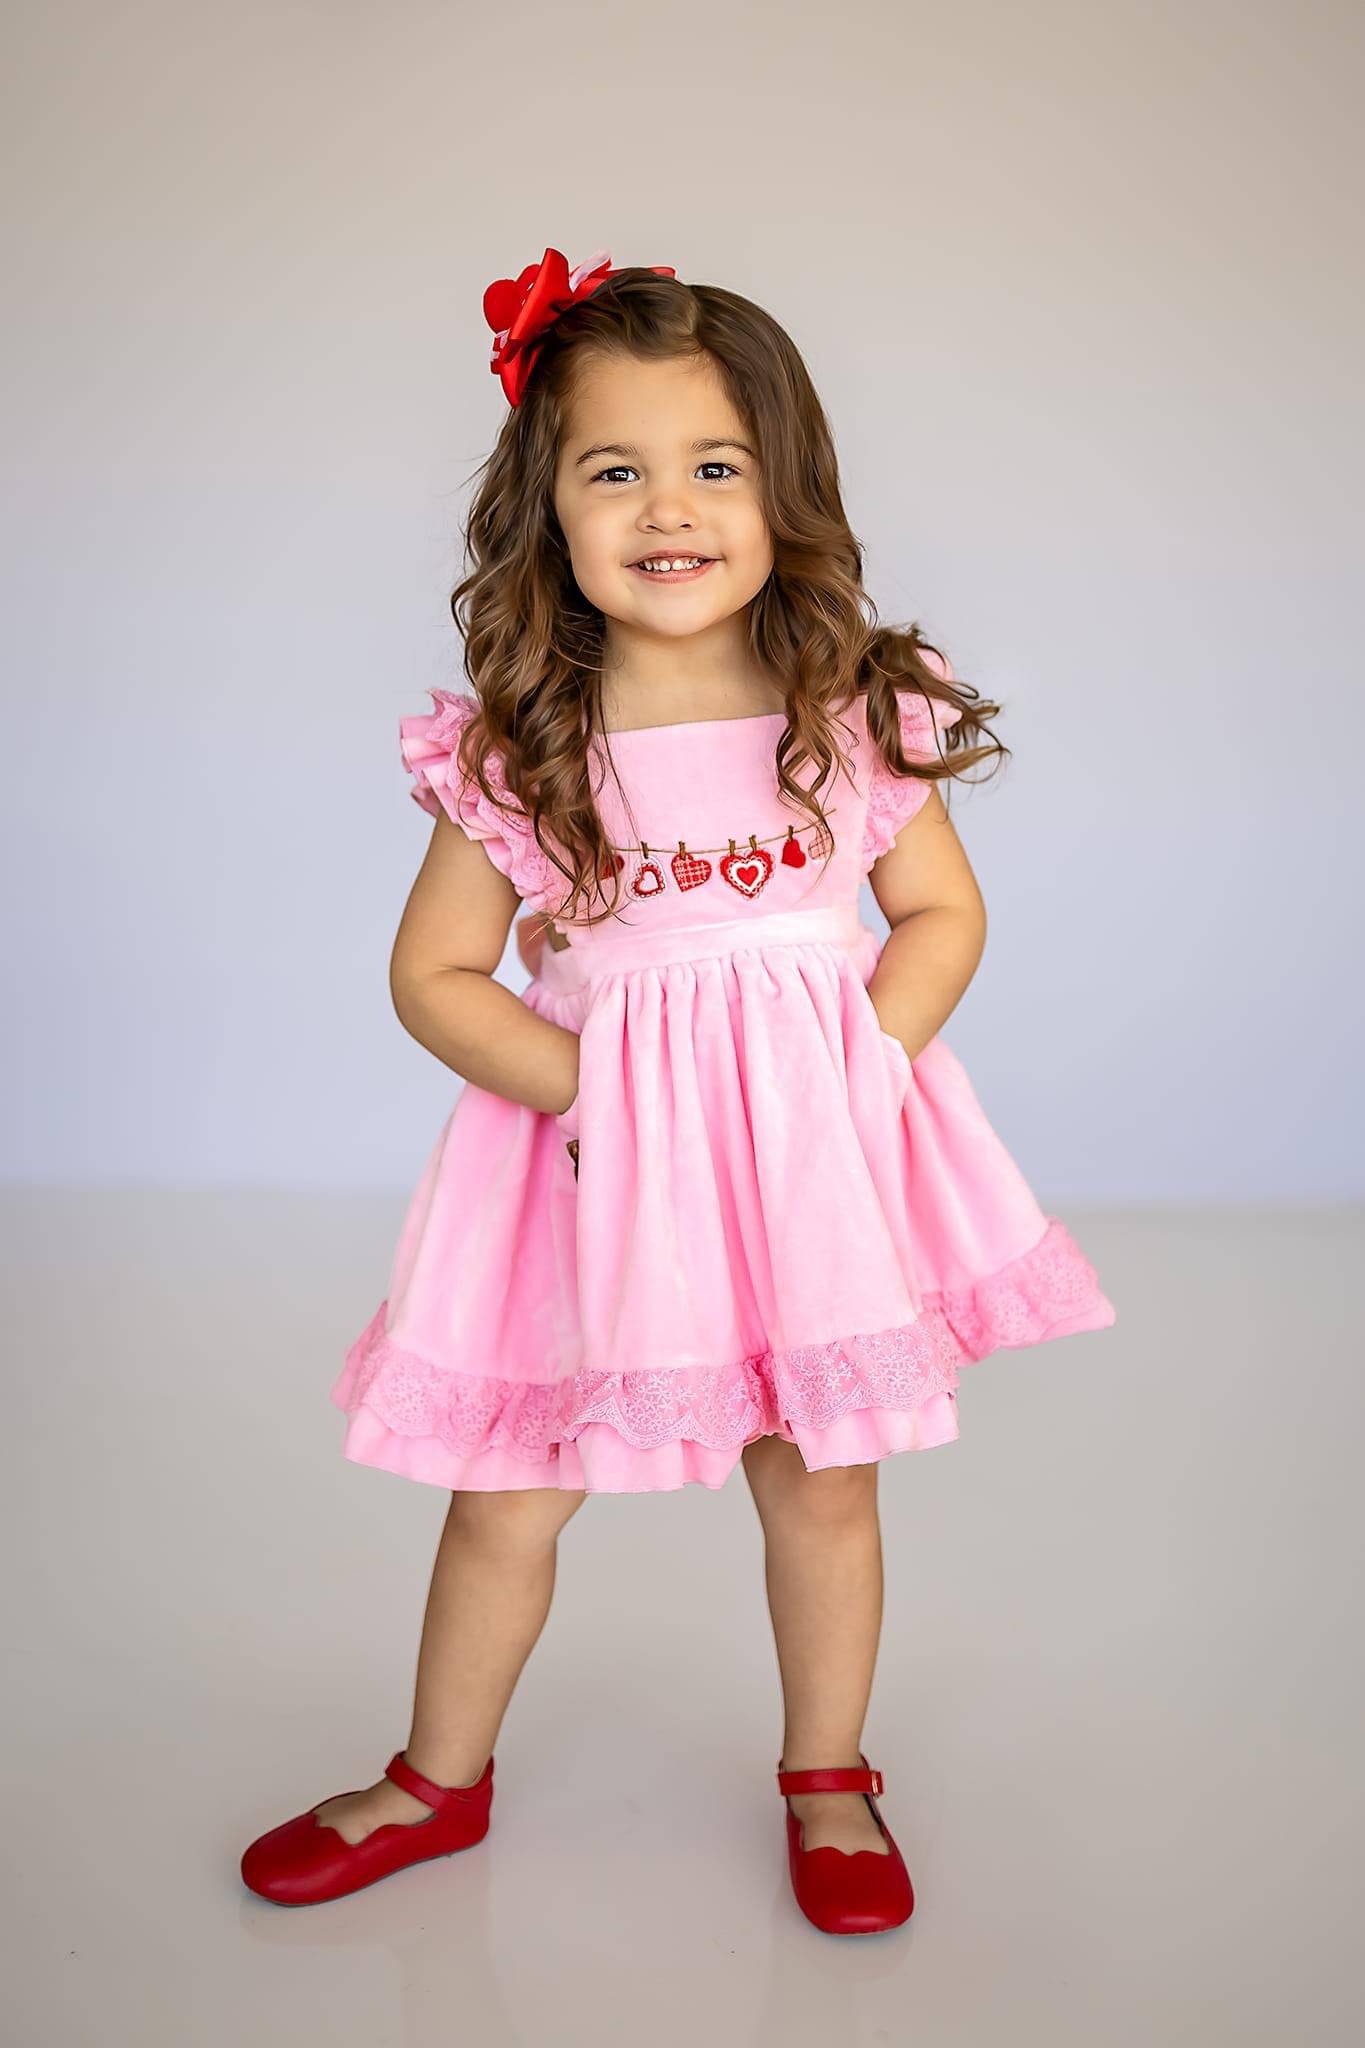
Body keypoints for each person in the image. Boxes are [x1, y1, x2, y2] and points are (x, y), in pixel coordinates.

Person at [240, 246, 1117, 1935]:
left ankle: (827, 1774)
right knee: (507, 1487)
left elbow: (940, 915)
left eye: (715, 464)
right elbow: (434, 976)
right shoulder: (524, 743)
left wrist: (858, 1069)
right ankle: (435, 1778)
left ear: (787, 488)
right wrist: (602, 1098)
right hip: (595, 1176)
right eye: (613, 469)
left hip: (805, 1171)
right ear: (545, 505)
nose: (669, 507)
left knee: (823, 1476)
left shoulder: (847, 712)